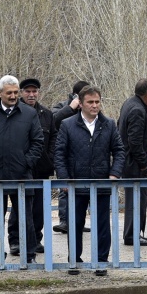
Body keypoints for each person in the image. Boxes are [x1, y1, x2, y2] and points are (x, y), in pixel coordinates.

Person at [53, 84, 126, 275]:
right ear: (81, 103)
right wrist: (65, 179)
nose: (94, 106)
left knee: (102, 225)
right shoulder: (68, 125)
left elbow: (119, 151)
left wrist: (114, 174)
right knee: (75, 224)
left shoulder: (109, 124)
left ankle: (101, 261)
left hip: (101, 182)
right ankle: (74, 261)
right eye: (90, 102)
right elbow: (59, 154)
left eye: (97, 102)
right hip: (76, 183)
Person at [0, 74, 45, 260]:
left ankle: (29, 253)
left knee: (26, 218)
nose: (13, 96)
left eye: (16, 92)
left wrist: (27, 162)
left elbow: (38, 141)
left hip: (22, 174)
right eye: (9, 92)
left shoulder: (29, 114)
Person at [118, 79, 147, 247]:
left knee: (136, 199)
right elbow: (134, 142)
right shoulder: (137, 109)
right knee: (136, 200)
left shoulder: (132, 103)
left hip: (132, 163)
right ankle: (132, 235)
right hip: (134, 165)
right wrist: (144, 164)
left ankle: (134, 233)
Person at [21, 77, 58, 251]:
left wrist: (49, 158)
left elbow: (53, 139)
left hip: (42, 168)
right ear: (22, 93)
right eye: (27, 91)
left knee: (39, 207)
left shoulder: (46, 114)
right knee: (20, 207)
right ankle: (17, 240)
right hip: (21, 168)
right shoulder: (16, 112)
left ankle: (36, 238)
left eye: (34, 91)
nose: (31, 94)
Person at [51, 80, 90, 234]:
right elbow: (53, 121)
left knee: (83, 189)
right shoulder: (62, 106)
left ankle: (79, 221)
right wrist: (70, 108)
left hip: (84, 155)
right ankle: (65, 220)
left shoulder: (89, 109)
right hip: (65, 154)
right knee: (65, 188)